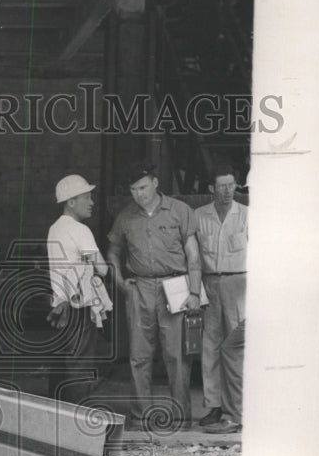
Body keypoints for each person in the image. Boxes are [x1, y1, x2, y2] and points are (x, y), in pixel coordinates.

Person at [107, 161, 201, 429]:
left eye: (144, 187)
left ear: (156, 183)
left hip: (176, 286)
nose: (140, 194)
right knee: (139, 356)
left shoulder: (180, 211)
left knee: (177, 356)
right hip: (140, 289)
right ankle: (140, 417)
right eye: (134, 189)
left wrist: (193, 291)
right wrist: (121, 282)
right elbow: (113, 252)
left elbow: (193, 253)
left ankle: (181, 418)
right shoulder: (125, 217)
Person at [46, 174, 112, 403]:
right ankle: (78, 418)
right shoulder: (80, 230)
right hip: (79, 307)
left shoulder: (54, 229)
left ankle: (56, 415)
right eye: (86, 197)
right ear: (71, 202)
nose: (92, 202)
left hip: (60, 306)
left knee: (61, 364)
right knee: (80, 364)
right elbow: (102, 268)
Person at [194, 165, 247, 432]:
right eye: (222, 186)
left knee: (235, 347)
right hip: (210, 284)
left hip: (239, 284)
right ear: (211, 189)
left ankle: (236, 407)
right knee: (211, 347)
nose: (228, 191)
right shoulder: (199, 216)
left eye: (231, 185)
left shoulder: (247, 215)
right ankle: (214, 406)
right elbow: (192, 257)